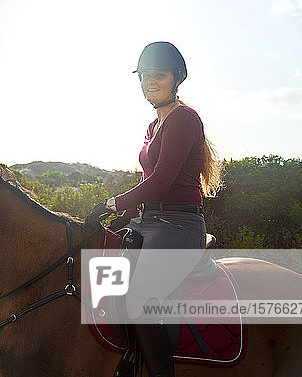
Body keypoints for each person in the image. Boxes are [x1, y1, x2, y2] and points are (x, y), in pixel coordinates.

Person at [88, 42, 222, 376]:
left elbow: (162, 181)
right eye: (144, 76)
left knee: (137, 299)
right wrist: (122, 217)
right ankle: (129, 357)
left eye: (157, 75)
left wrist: (112, 203)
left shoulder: (184, 119)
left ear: (176, 78)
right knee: (98, 278)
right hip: (149, 221)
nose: (149, 82)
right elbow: (149, 183)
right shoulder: (153, 127)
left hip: (178, 226)